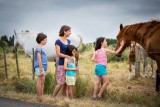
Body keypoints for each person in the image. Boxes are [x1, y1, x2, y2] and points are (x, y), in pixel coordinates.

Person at [53, 25, 73, 97]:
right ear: (64, 31)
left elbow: (70, 52)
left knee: (66, 83)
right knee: (61, 82)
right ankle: (53, 97)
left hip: (68, 64)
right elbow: (58, 54)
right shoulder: (58, 42)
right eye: (69, 31)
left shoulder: (69, 41)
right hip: (61, 64)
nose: (70, 33)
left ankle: (63, 98)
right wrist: (67, 56)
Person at [34, 33, 48, 101]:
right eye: (45, 40)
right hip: (40, 67)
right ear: (41, 40)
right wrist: (41, 69)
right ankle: (39, 97)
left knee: (43, 81)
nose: (46, 41)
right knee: (40, 81)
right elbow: (39, 59)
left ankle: (41, 96)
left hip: (43, 67)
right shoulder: (38, 48)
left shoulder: (42, 48)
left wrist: (44, 69)